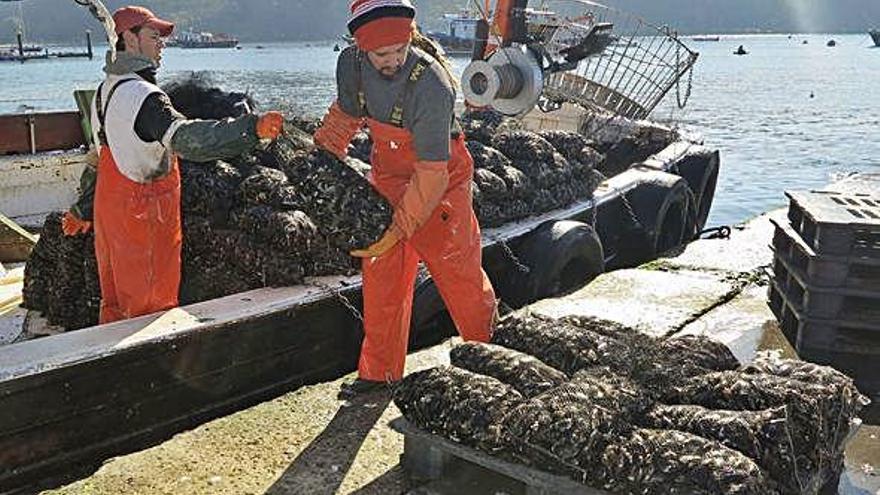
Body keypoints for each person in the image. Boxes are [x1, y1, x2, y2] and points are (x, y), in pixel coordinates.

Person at [314, 0, 498, 398]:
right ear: (360, 46)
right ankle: (379, 374)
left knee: (460, 278)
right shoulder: (352, 65)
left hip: (442, 183)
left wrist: (397, 229)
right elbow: (344, 118)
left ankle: (495, 362)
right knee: (381, 282)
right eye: (382, 53)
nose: (393, 60)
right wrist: (317, 161)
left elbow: (432, 174)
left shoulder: (431, 83)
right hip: (388, 177)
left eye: (401, 49)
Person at [62, 6, 284, 324]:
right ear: (128, 38)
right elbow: (186, 139)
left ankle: (113, 365)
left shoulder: (103, 92)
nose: (161, 44)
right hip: (144, 219)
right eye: (154, 36)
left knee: (115, 304)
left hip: (111, 217)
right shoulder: (146, 97)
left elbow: (102, 157)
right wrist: (250, 129)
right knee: (151, 313)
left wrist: (83, 209)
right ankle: (147, 370)